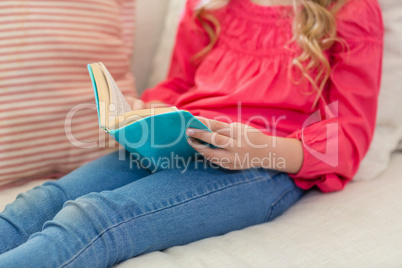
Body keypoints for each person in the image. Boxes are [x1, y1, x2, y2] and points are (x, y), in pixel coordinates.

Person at [0, 0, 383, 266]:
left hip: (264, 163)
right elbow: (178, 83)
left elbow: (347, 138)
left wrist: (263, 149)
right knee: (47, 199)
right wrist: (148, 112)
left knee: (95, 220)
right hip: (179, 137)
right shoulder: (211, 6)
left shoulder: (348, 11)